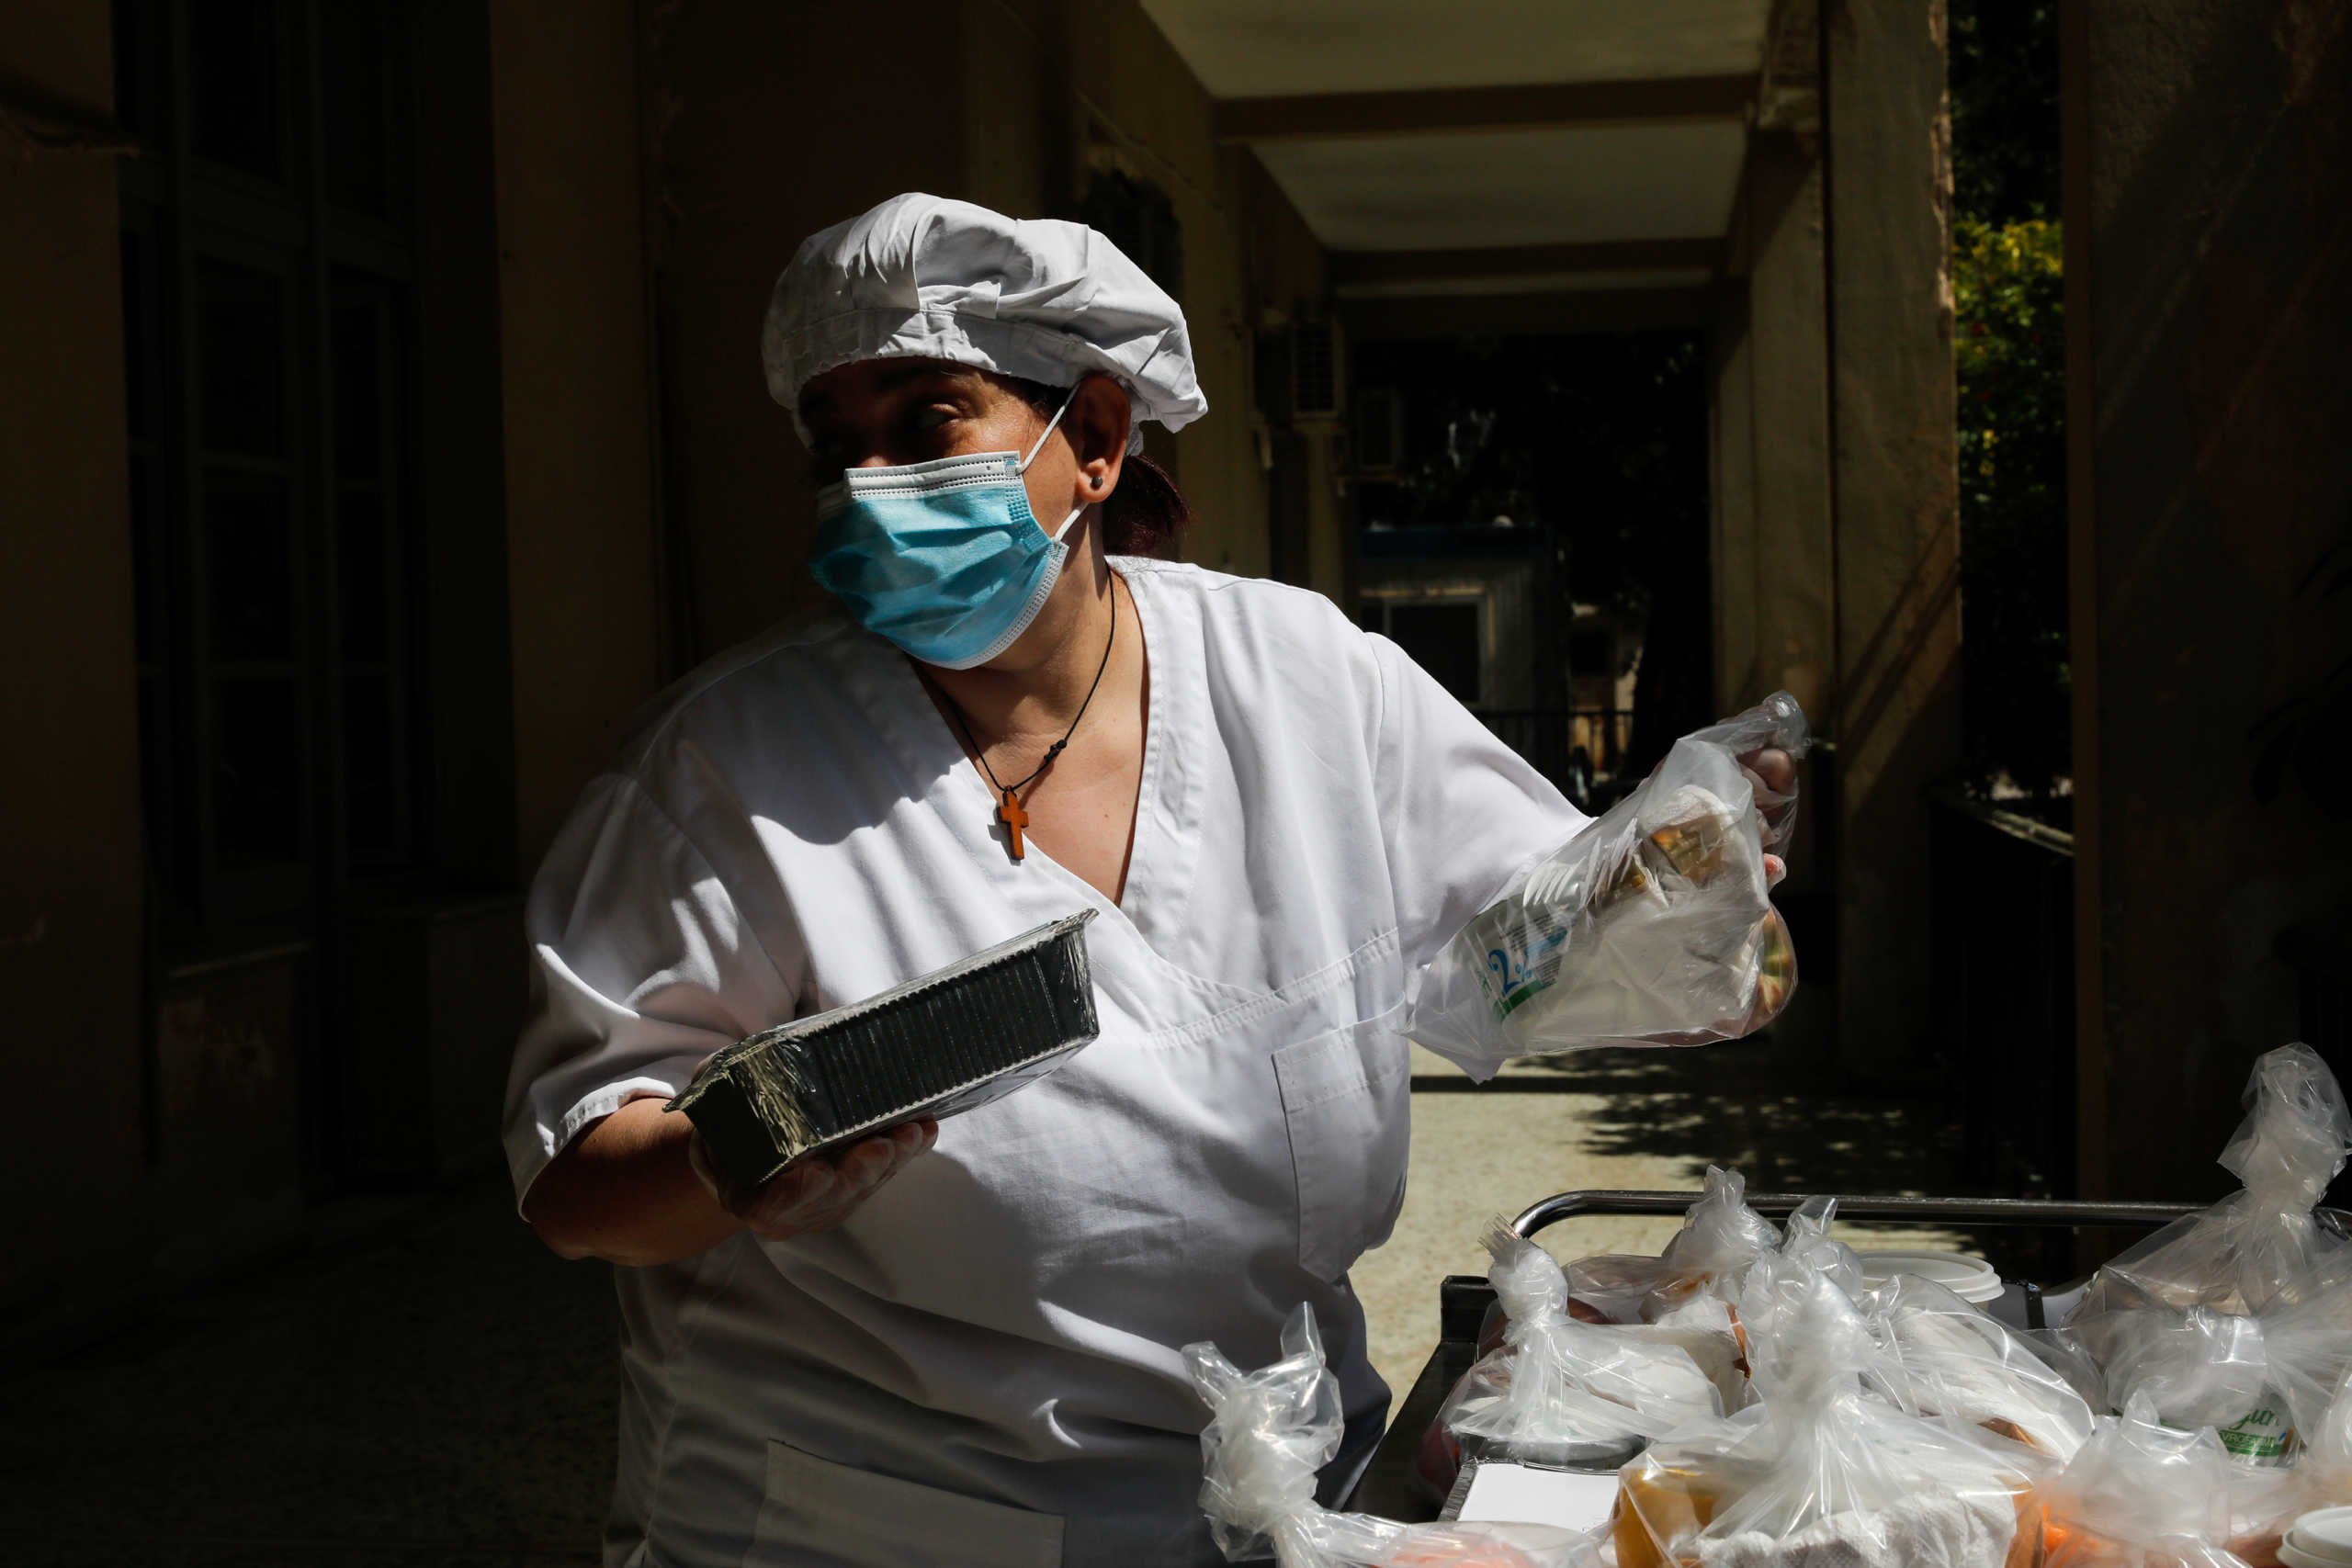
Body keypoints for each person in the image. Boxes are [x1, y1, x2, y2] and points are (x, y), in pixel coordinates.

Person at [504, 192, 1793, 1568]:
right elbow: (578, 1191)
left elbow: (1526, 953)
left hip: (1277, 1493)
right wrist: (730, 1157)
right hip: (873, 1523)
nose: (873, 486)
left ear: (1099, 441)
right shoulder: (723, 771)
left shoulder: (1305, 681)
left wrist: (1685, 890)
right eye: (839, 448)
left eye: (929, 423)